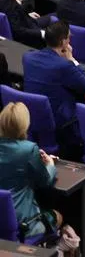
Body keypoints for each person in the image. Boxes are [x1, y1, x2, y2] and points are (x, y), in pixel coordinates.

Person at [22, 21, 85, 153]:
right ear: (63, 42)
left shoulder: (28, 57)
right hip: (60, 123)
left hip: (30, 117)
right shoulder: (63, 66)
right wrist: (72, 60)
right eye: (69, 37)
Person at [0, 102, 61, 239]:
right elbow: (46, 181)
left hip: (2, 222)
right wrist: (50, 164)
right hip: (22, 223)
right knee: (58, 216)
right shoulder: (28, 149)